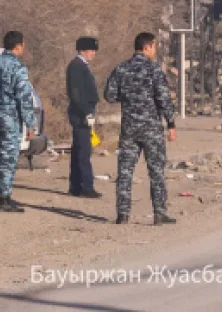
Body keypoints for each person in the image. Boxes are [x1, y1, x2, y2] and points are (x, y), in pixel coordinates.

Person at [104, 32, 177, 225]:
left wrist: (129, 98)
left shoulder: (121, 69)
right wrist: (171, 123)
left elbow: (109, 95)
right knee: (156, 171)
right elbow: (163, 98)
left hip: (129, 128)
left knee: (125, 171)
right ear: (147, 47)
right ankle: (159, 213)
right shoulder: (153, 70)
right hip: (151, 128)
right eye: (154, 46)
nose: (155, 50)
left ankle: (123, 214)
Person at [0, 31, 37, 213]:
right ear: (18, 46)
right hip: (10, 115)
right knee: (8, 157)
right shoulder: (17, 67)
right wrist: (30, 123)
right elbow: (24, 97)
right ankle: (4, 199)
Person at [66, 36, 102, 198]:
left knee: (79, 149)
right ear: (82, 50)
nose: (93, 53)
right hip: (81, 114)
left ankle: (76, 185)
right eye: (91, 50)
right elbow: (76, 93)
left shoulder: (81, 66)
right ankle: (86, 186)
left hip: (84, 112)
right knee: (83, 151)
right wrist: (86, 111)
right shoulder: (76, 66)